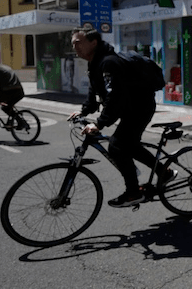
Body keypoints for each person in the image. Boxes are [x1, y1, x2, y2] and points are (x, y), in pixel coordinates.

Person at [68, 28, 176, 208]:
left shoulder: (109, 63)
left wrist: (100, 124)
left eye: (78, 42)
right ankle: (165, 173)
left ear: (93, 42)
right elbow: (94, 92)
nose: (74, 47)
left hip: (140, 108)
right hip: (129, 108)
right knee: (130, 145)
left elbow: (115, 97)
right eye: (72, 43)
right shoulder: (95, 63)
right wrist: (84, 112)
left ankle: (133, 193)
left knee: (117, 146)